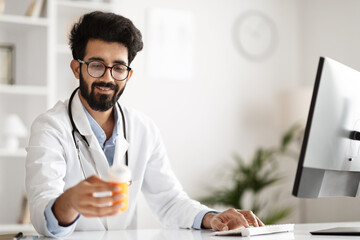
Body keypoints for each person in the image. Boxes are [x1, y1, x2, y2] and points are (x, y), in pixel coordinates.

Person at [25, 11, 264, 238]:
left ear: (128, 74)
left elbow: (169, 201)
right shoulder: (50, 127)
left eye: (118, 67)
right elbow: (41, 211)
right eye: (97, 65)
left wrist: (212, 218)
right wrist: (70, 202)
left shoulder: (143, 128)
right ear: (77, 68)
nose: (108, 78)